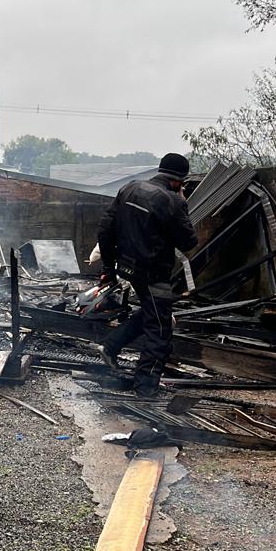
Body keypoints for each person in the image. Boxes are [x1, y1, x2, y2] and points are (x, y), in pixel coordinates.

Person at [96, 152, 198, 396]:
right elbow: (188, 242)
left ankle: (111, 346)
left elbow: (105, 230)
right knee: (160, 331)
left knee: (153, 312)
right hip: (154, 276)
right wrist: (182, 202)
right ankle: (145, 387)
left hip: (128, 267)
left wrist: (109, 269)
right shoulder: (173, 201)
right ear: (178, 181)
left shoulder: (129, 188)